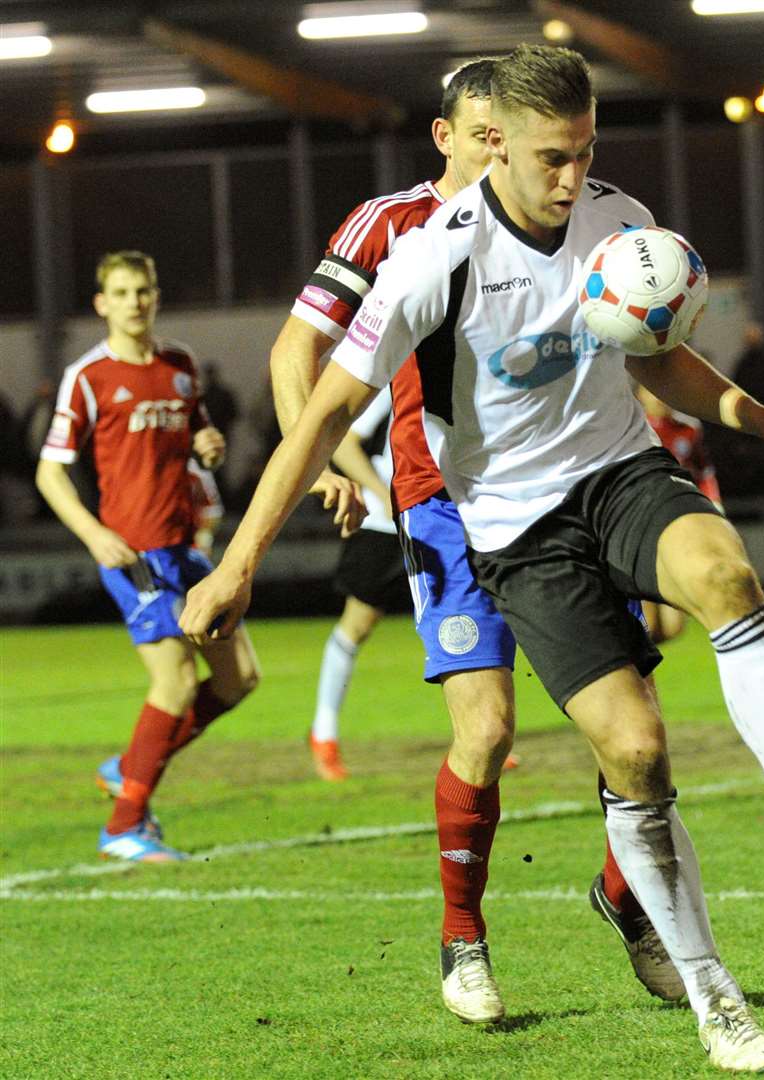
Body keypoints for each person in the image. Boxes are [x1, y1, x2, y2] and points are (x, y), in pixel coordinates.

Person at [183, 46, 764, 1072]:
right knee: (634, 748)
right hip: (511, 526)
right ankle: (713, 998)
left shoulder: (617, 219)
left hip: (618, 472)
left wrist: (755, 413)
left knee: (725, 574)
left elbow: (651, 350)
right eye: (546, 159)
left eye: (580, 153)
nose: (568, 178)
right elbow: (319, 416)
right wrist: (238, 561)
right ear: (494, 151)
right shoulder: (433, 256)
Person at [270, 59, 535, 1018]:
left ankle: (634, 909)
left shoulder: (559, 211)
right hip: (436, 503)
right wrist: (330, 466)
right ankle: (462, 940)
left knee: (628, 736)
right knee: (487, 727)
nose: (498, 145)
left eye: (511, 128)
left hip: (558, 496)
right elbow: (293, 349)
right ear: (444, 135)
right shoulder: (389, 225)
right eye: (481, 129)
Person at [35, 250, 263, 862]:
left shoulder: (180, 366)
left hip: (185, 549)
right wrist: (93, 534)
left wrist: (208, 448)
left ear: (155, 297)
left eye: (145, 290)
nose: (136, 301)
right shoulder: (89, 377)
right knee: (177, 680)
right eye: (123, 291)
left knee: (240, 679)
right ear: (102, 303)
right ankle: (124, 824)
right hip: (132, 554)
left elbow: (200, 441)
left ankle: (130, 765)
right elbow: (50, 472)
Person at [306, 387, 415, 781]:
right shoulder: (399, 376)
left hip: (451, 521)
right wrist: (384, 494)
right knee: (357, 625)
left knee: (461, 624)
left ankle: (478, 735)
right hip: (387, 525)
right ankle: (324, 733)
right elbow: (344, 445)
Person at [635, 383, 721, 642]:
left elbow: (703, 471)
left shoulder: (689, 429)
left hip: (675, 522)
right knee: (647, 625)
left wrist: (713, 504)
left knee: (673, 628)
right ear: (640, 395)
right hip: (638, 526)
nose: (660, 397)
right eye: (652, 391)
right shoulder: (632, 429)